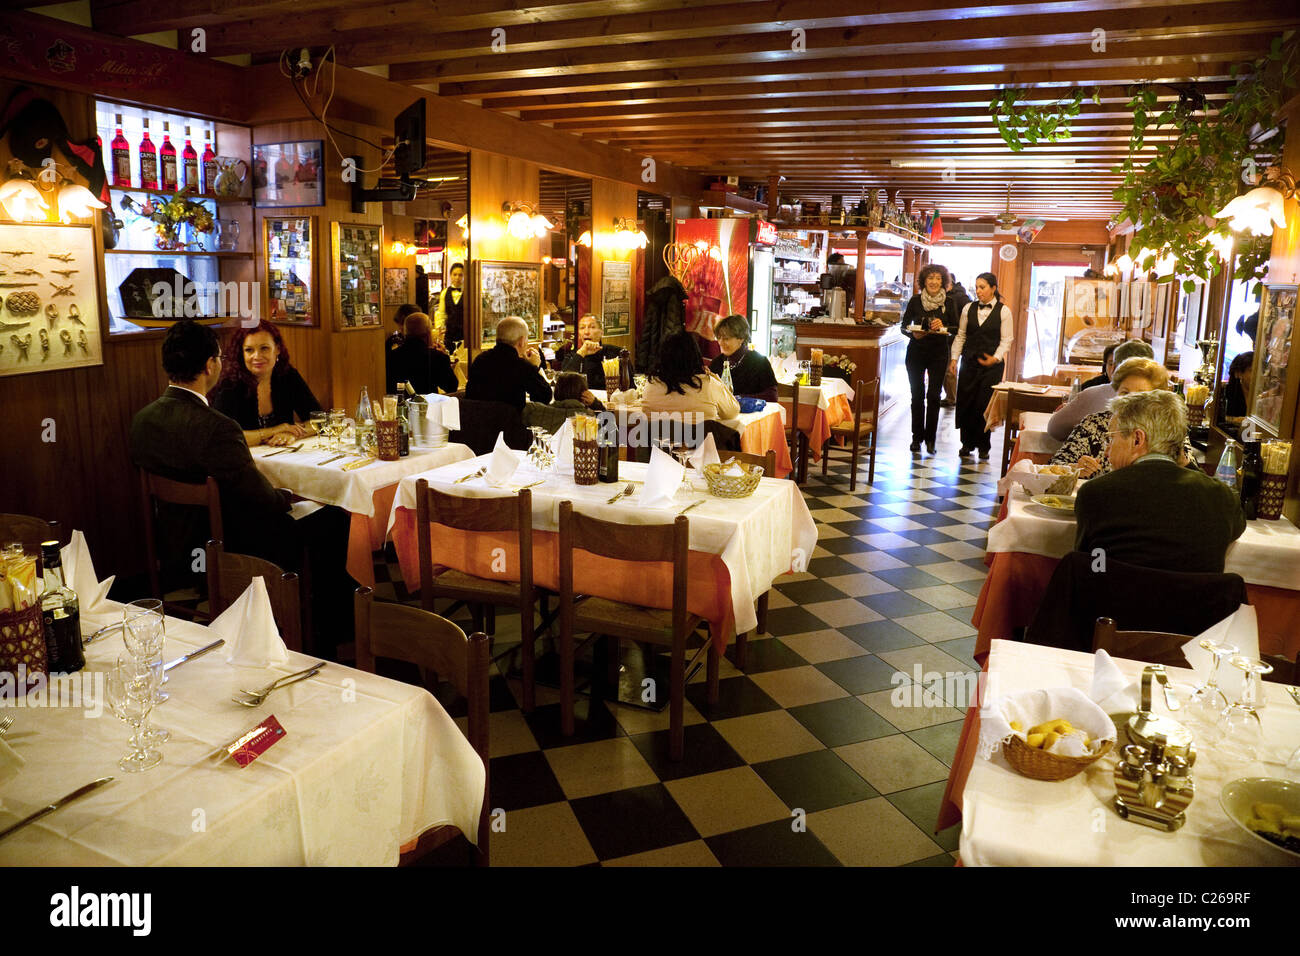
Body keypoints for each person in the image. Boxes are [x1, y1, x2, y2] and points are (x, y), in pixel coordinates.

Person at [130, 321, 357, 653]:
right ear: (210, 365)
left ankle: (323, 619)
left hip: (173, 543)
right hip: (228, 541)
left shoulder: (143, 420)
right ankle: (323, 631)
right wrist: (290, 495)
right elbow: (261, 500)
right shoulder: (218, 427)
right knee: (333, 515)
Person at [1074, 390, 1245, 573]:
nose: (1107, 451)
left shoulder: (1096, 493)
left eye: (1111, 438)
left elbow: (1091, 567)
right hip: (1194, 601)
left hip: (1116, 599)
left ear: (1137, 439)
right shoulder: (1221, 497)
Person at [1049, 358, 1194, 477]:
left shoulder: (1167, 432)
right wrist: (1075, 468)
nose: (1130, 402)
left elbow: (1189, 475)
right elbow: (1053, 466)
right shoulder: (1093, 423)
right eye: (1125, 393)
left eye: (1140, 396)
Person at [209, 320, 322, 447]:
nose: (257, 356)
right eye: (249, 350)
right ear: (242, 353)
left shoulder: (287, 375)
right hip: (242, 460)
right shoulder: (230, 384)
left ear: (277, 349)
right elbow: (224, 436)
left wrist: (291, 434)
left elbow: (320, 420)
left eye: (264, 348)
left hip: (281, 457)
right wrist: (276, 430)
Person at [948, 272, 1013, 459]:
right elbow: (961, 336)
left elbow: (1006, 340)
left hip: (992, 367)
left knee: (984, 405)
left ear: (993, 288)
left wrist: (995, 357)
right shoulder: (968, 308)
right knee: (966, 402)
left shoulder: (1003, 311)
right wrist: (954, 359)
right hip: (969, 363)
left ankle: (984, 446)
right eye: (976, 287)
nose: (978, 291)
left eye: (982, 287)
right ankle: (966, 443)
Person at [1046, 338, 1154, 441]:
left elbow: (1054, 429)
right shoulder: (1162, 400)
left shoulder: (1092, 395)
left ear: (1117, 366)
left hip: (1093, 459)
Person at [902, 264, 958, 454]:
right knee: (916, 396)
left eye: (938, 278)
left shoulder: (949, 303)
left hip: (939, 354)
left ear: (943, 281)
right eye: (930, 278)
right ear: (924, 281)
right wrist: (914, 334)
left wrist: (944, 326)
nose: (934, 282)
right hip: (915, 353)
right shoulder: (915, 301)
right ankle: (916, 438)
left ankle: (931, 440)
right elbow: (903, 326)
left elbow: (956, 329)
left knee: (933, 397)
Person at [642, 330, 740, 422]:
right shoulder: (707, 384)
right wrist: (714, 378)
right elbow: (732, 412)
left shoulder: (651, 385)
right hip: (700, 440)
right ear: (696, 355)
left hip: (658, 439)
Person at [465, 315, 552, 409]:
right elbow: (544, 397)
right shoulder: (520, 366)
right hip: (507, 421)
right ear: (522, 341)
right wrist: (535, 368)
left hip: (474, 419)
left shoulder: (480, 359)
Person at [709, 313, 778, 401]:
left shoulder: (759, 362)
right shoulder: (717, 363)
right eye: (719, 338)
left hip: (753, 413)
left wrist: (740, 399)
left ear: (741, 338)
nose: (720, 342)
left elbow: (772, 396)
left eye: (726, 338)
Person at [387, 311, 458, 395]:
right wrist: (446, 358)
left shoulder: (391, 356)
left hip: (400, 406)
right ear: (428, 333)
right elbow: (451, 387)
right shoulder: (436, 357)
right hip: (428, 406)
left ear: (405, 332)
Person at [556, 313, 622, 389]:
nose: (586, 332)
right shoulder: (572, 356)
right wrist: (581, 353)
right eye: (582, 328)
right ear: (579, 334)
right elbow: (564, 383)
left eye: (592, 327)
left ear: (601, 332)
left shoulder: (615, 353)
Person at [522, 372, 604, 432]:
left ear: (556, 390)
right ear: (584, 393)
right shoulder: (590, 418)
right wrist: (596, 404)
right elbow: (611, 437)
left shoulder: (534, 411)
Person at [941, 278, 970, 407]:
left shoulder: (959, 297)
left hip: (954, 336)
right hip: (948, 336)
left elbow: (967, 314)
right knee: (947, 368)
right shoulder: (953, 295)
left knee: (949, 369)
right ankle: (950, 396)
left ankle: (951, 398)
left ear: (950, 284)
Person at [434, 261, 465, 350]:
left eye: (460, 275)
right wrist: (440, 330)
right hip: (449, 333)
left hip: (465, 334)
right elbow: (441, 313)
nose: (457, 278)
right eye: (454, 274)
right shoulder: (444, 293)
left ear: (464, 276)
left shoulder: (469, 293)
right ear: (450, 275)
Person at [1222, 350, 1254, 420]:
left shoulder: (1263, 395)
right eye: (1251, 371)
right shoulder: (1226, 393)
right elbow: (1225, 419)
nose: (1257, 375)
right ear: (1238, 373)